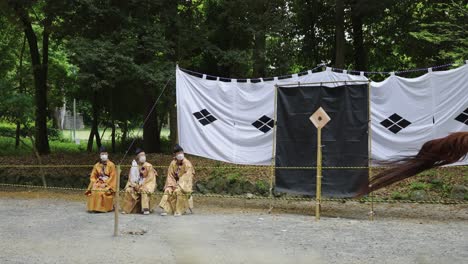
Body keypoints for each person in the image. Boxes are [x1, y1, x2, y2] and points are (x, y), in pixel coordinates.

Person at [159, 144, 194, 216]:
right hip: (174, 183)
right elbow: (170, 175)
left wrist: (179, 185)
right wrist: (172, 185)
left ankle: (178, 210)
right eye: (178, 153)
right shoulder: (173, 163)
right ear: (175, 155)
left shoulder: (187, 164)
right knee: (168, 190)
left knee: (178, 191)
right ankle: (166, 209)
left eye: (181, 153)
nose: (180, 154)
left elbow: (187, 177)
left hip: (184, 185)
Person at [122, 148, 157, 215]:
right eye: (141, 155)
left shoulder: (149, 166)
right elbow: (131, 178)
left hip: (145, 184)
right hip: (135, 185)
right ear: (137, 157)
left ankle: (145, 209)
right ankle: (127, 209)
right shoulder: (134, 166)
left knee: (143, 190)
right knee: (129, 190)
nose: (143, 157)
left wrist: (142, 185)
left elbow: (150, 178)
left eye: (144, 155)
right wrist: (134, 185)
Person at [85, 146, 117, 213]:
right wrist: (95, 182)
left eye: (105, 154)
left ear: (107, 154)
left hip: (108, 184)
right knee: (94, 189)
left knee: (101, 191)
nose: (104, 155)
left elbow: (113, 177)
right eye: (102, 154)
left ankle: (102, 208)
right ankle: (93, 208)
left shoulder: (111, 165)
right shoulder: (96, 165)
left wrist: (105, 184)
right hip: (98, 182)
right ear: (99, 155)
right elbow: (93, 176)